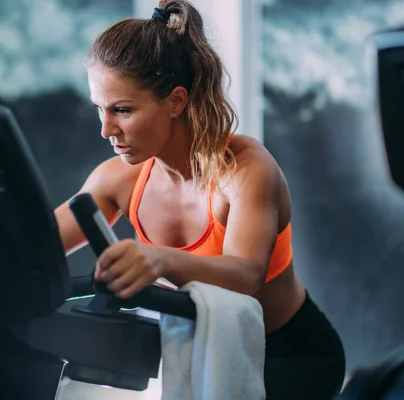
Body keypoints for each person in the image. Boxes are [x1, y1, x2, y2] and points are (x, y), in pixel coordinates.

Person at [54, 1, 345, 398]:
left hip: (291, 355)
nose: (106, 130)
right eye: (99, 110)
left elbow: (245, 277)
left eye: (122, 110)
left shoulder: (245, 170)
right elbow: (39, 246)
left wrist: (161, 260)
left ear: (175, 101)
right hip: (205, 352)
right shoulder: (118, 178)